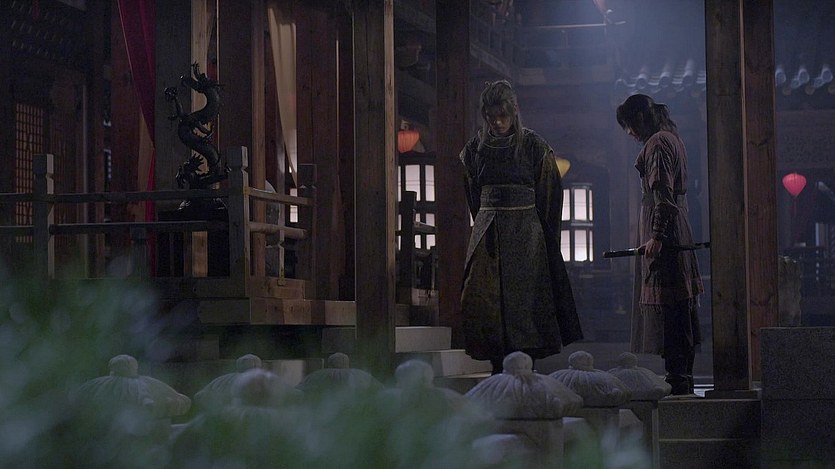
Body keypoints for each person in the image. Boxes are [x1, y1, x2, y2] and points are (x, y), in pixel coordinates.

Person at [459, 80, 583, 374]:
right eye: (491, 117)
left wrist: (543, 236)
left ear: (514, 111)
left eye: (502, 116)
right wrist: (485, 220)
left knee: (526, 301)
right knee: (485, 298)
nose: (497, 122)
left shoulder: (534, 146)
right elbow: (472, 193)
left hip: (526, 234)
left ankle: (526, 366)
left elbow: (549, 196)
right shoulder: (475, 149)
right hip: (488, 232)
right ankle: (496, 365)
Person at [616, 93, 704, 395]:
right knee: (678, 307)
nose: (629, 132)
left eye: (629, 125)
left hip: (668, 233)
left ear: (640, 119)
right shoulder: (670, 138)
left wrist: (657, 235)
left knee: (672, 309)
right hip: (674, 228)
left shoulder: (657, 143)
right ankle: (681, 378)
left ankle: (678, 380)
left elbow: (662, 192)